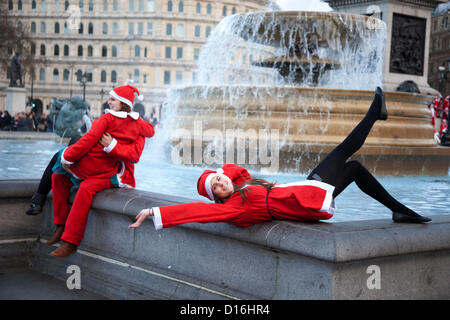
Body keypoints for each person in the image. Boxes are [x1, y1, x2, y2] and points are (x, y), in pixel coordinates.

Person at [129, 87, 431, 232]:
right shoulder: (234, 207)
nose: (221, 181)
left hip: (301, 192)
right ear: (218, 198)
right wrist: (157, 212)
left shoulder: (241, 184)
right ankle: (374, 113)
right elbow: (197, 211)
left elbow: (235, 171)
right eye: (216, 186)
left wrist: (221, 172)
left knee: (354, 168)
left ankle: (401, 211)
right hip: (302, 202)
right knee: (344, 153)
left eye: (218, 178)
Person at [48, 85, 155, 258]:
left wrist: (112, 146)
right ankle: (60, 225)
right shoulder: (110, 120)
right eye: (110, 99)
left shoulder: (134, 125)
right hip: (91, 166)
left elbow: (134, 155)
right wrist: (70, 158)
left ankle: (71, 242)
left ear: (123, 102)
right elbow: (87, 141)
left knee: (85, 189)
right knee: (58, 177)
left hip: (115, 173)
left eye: (113, 99)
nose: (109, 102)